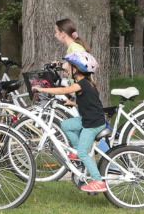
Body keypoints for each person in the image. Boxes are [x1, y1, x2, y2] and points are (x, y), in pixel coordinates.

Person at [32, 49, 107, 192]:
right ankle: (78, 152)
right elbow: (89, 103)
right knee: (65, 125)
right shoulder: (87, 84)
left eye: (69, 66)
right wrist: (74, 104)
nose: (66, 69)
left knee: (85, 153)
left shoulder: (83, 84)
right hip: (86, 119)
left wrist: (42, 90)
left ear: (76, 69)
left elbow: (62, 91)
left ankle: (98, 181)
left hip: (92, 125)